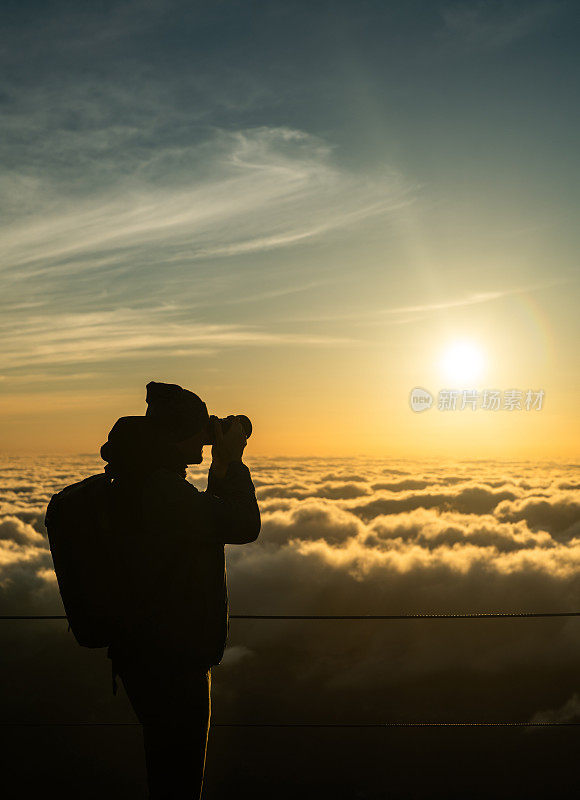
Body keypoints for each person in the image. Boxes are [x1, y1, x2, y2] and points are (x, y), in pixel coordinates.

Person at [100, 381, 261, 799]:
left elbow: (202, 526)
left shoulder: (140, 480)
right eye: (201, 429)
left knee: (167, 771)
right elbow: (242, 526)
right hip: (171, 660)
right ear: (177, 435)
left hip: (146, 652)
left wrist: (219, 470)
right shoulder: (163, 490)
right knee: (179, 782)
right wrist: (233, 463)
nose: (209, 437)